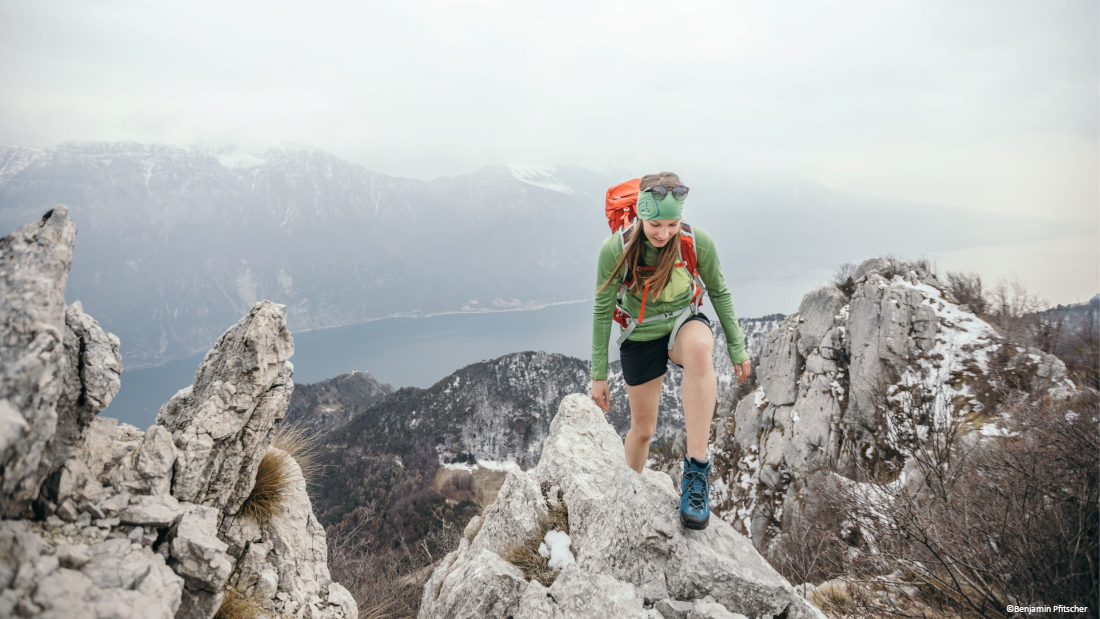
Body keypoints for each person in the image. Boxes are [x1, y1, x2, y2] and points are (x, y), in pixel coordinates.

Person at [589, 172, 751, 530]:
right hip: (640, 331)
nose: (663, 233)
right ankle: (626, 493)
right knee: (643, 431)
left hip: (682, 321)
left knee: (698, 350)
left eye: (672, 224)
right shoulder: (615, 249)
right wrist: (598, 374)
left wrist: (737, 347)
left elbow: (720, 292)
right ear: (640, 216)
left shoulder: (696, 242)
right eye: (655, 224)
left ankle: (696, 474)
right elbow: (602, 310)